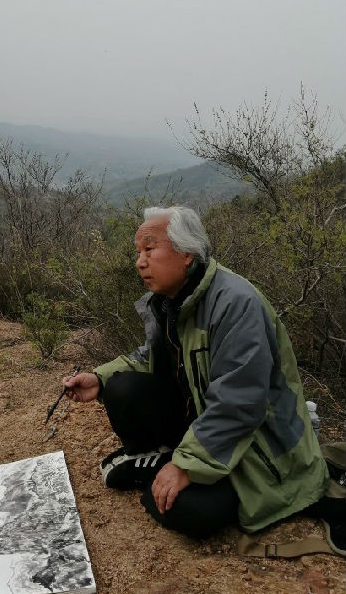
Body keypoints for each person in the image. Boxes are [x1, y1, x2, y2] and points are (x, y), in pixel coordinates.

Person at [63, 205, 329, 539]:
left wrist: (186, 466)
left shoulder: (235, 304)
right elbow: (149, 357)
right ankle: (162, 460)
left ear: (187, 253)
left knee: (183, 509)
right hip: (204, 422)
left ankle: (164, 465)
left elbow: (240, 402)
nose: (139, 261)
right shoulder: (170, 301)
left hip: (256, 445)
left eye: (149, 249)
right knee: (120, 387)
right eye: (138, 252)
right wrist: (98, 379)